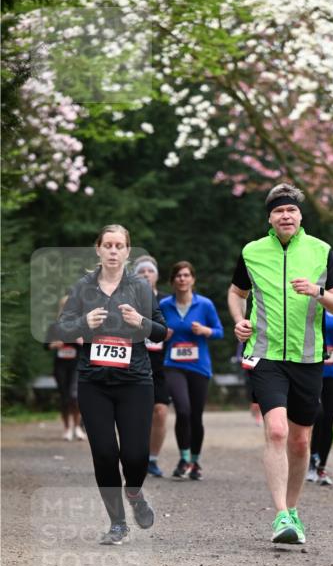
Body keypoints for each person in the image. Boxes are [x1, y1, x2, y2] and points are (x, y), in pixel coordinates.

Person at [227, 182, 333, 545]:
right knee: (277, 431)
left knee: (299, 440)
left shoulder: (321, 251)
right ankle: (281, 514)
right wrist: (238, 319)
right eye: (279, 210)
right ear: (270, 217)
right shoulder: (252, 252)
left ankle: (293, 510)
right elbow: (236, 292)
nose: (286, 216)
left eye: (291, 210)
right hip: (266, 355)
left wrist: (318, 292)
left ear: (299, 216)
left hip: (309, 358)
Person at [55, 224, 168, 544]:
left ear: (128, 251)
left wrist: (141, 322)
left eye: (120, 246)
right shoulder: (82, 287)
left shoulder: (141, 288)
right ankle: (117, 522)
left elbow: (162, 331)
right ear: (99, 249)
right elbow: (62, 329)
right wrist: (82, 323)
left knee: (135, 456)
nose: (114, 251)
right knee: (104, 453)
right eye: (108, 245)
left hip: (135, 381)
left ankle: (134, 492)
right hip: (94, 383)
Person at [161, 261, 223, 480]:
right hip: (173, 365)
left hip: (199, 366)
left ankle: (195, 461)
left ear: (193, 279)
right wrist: (162, 334)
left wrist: (206, 330)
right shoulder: (164, 305)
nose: (182, 279)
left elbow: (219, 332)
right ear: (172, 281)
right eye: (178, 275)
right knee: (183, 410)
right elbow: (154, 332)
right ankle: (184, 457)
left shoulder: (204, 305)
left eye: (186, 275)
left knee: (196, 415)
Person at [132, 256, 171, 476]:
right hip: (134, 361)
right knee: (134, 413)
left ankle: (152, 459)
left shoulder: (167, 301)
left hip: (161, 364)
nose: (146, 274)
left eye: (150, 271)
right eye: (141, 271)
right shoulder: (127, 298)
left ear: (156, 275)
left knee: (160, 412)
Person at [306, 310, 333, 486]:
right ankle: (309, 461)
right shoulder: (307, 304)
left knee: (328, 419)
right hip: (310, 369)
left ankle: (321, 467)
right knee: (316, 415)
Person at [45, 295, 85, 441]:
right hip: (61, 365)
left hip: (76, 364)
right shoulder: (54, 327)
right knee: (65, 397)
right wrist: (55, 344)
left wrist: (77, 340)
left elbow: (88, 344)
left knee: (75, 396)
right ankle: (67, 428)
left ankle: (78, 427)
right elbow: (46, 345)